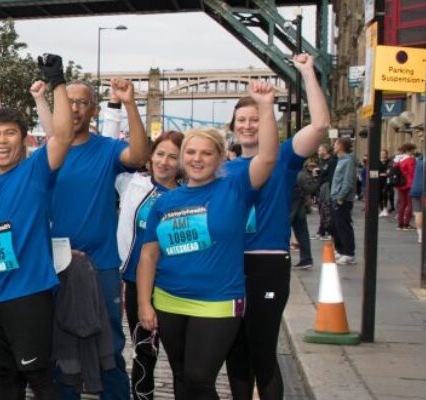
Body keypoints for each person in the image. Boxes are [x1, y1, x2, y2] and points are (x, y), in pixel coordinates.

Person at [136, 80, 281, 400]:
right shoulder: (165, 201)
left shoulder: (236, 186)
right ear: (182, 158)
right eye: (190, 152)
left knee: (200, 377)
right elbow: (148, 256)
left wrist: (266, 107)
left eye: (205, 153)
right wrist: (145, 303)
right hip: (170, 298)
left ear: (219, 159)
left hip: (218, 301)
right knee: (180, 374)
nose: (197, 159)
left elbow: (269, 158)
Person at [0, 54, 74, 400]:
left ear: (24, 140)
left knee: (39, 378)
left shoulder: (36, 171)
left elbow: (64, 135)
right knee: (6, 378)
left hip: (28, 295)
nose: (2, 140)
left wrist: (56, 83)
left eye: (10, 133)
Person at [35, 70, 150, 400]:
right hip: (56, 266)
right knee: (60, 350)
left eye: (82, 103)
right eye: (67, 102)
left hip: (101, 265)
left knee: (109, 348)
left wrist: (129, 104)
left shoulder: (107, 150)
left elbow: (140, 156)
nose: (73, 109)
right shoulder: (46, 155)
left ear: (94, 110)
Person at [221, 54, 329, 400]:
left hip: (266, 262)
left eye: (255, 119)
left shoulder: (282, 157)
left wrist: (307, 73)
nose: (249, 125)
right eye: (242, 120)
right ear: (232, 126)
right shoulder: (223, 170)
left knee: (262, 352)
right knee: (235, 354)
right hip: (228, 266)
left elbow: (319, 127)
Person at [116, 130, 183, 400]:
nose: (164, 162)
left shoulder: (188, 196)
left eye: (173, 157)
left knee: (181, 358)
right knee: (144, 351)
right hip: (135, 281)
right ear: (150, 156)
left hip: (173, 285)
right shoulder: (131, 183)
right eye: (160, 154)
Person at [331, 138, 359, 265]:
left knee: (343, 226)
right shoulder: (340, 160)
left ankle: (349, 253)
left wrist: (341, 197)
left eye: (336, 143)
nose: (334, 146)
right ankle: (341, 250)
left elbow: (347, 182)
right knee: (335, 226)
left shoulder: (347, 161)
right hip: (335, 197)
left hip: (342, 199)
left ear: (342, 146)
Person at [291, 161, 317, 269]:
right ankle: (306, 259)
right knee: (302, 230)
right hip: (299, 200)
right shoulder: (301, 171)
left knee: (283, 229)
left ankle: (304, 259)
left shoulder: (290, 169)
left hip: (290, 199)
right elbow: (309, 189)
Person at [313, 144, 336, 241]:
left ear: (325, 151)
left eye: (320, 149)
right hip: (321, 186)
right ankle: (321, 231)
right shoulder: (322, 161)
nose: (318, 151)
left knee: (326, 208)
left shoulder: (332, 161)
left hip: (327, 186)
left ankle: (329, 231)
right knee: (321, 209)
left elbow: (331, 176)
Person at [395, 143, 418, 230]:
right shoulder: (411, 159)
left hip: (400, 183)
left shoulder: (398, 159)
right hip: (409, 183)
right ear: (410, 150)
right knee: (410, 204)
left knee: (402, 203)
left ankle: (400, 224)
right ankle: (406, 224)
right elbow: (413, 172)